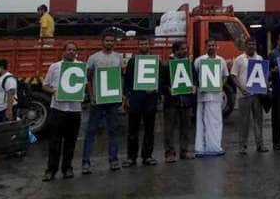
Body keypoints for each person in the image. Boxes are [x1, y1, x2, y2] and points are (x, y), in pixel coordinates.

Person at [81, 31, 123, 174]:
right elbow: (89, 78)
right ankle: (86, 162)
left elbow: (119, 78)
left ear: (114, 43)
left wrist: (121, 95)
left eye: (112, 41)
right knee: (91, 131)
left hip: (112, 101)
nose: (109, 43)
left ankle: (114, 160)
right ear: (102, 42)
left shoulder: (118, 57)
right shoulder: (93, 58)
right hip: (98, 101)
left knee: (113, 130)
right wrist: (91, 96)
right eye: (107, 41)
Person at [42, 42, 83, 181]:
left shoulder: (80, 67)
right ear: (63, 51)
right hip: (57, 110)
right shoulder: (55, 67)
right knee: (54, 142)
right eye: (69, 49)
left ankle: (67, 169)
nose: (72, 52)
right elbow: (45, 85)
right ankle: (51, 170)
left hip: (74, 111)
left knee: (70, 142)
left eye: (74, 50)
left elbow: (85, 87)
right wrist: (55, 91)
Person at [122, 37, 159, 167]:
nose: (144, 45)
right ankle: (131, 157)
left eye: (146, 43)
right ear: (138, 46)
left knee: (149, 129)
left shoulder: (156, 61)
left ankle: (147, 156)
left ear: (150, 45)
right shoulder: (132, 61)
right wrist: (126, 98)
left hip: (150, 100)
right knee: (133, 130)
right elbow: (127, 81)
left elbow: (160, 80)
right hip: (136, 100)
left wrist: (156, 89)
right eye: (141, 43)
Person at [159, 40, 196, 163]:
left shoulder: (189, 64)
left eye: (186, 49)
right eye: (182, 49)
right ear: (175, 51)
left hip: (186, 101)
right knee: (169, 128)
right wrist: (167, 89)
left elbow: (195, 79)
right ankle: (169, 153)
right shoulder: (166, 65)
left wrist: (194, 86)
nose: (185, 51)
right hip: (172, 102)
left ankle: (184, 151)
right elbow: (161, 83)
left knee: (185, 127)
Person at [231, 37, 268, 154]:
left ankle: (260, 145)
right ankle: (242, 146)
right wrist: (241, 89)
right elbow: (233, 76)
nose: (252, 46)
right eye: (250, 44)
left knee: (258, 121)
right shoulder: (239, 59)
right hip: (244, 95)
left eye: (254, 44)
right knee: (244, 122)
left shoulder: (260, 58)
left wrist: (264, 86)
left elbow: (263, 75)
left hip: (257, 95)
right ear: (245, 46)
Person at [193, 38, 229, 157]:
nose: (211, 47)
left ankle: (215, 147)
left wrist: (220, 86)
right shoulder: (199, 61)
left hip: (216, 97)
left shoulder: (221, 61)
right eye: (209, 45)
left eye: (213, 45)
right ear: (205, 47)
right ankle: (201, 148)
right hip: (203, 97)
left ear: (216, 46)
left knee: (216, 123)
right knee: (202, 123)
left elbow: (225, 76)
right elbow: (195, 77)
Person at [0, 58, 18, 123]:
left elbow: (11, 95)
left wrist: (9, 110)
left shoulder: (9, 79)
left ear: (1, 68)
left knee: (5, 132)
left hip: (4, 111)